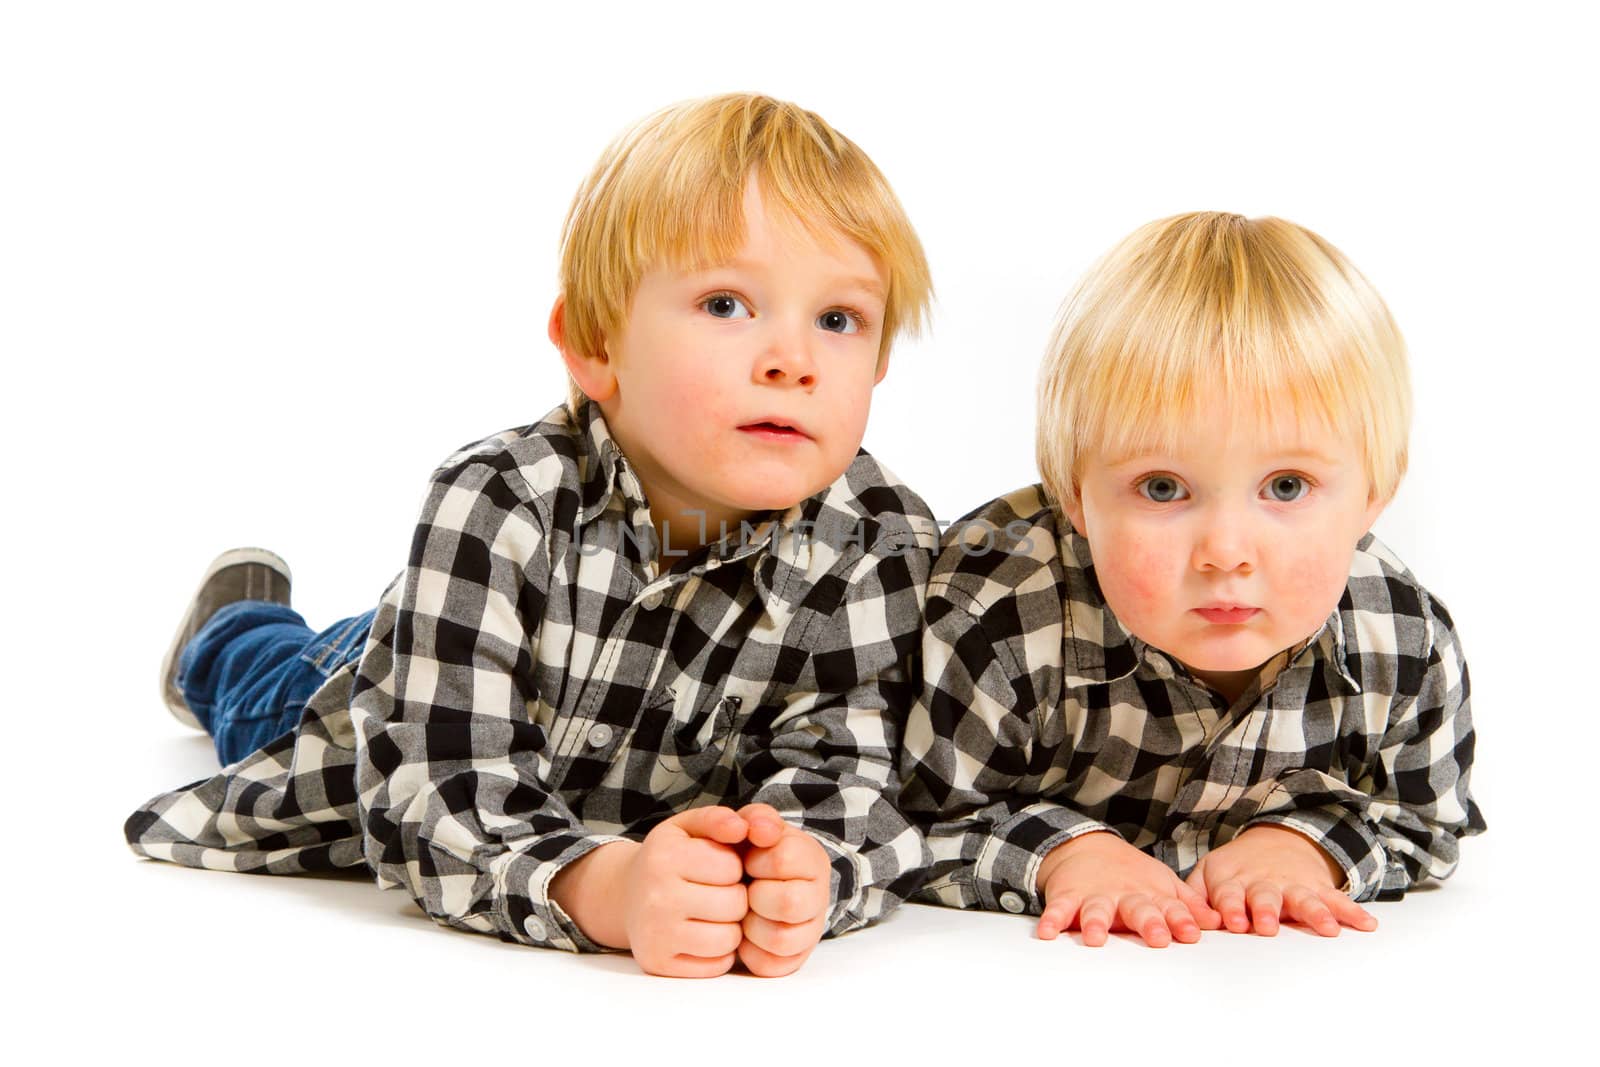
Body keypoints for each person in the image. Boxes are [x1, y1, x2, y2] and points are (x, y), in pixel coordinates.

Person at [126, 93, 938, 979]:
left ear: (881, 361)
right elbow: (437, 795)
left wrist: (798, 866)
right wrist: (604, 885)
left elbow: (853, 773)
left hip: (561, 709)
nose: (794, 359)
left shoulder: (879, 543)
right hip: (391, 696)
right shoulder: (499, 501)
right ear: (595, 347)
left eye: (838, 319)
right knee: (262, 687)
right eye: (725, 303)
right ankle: (232, 625)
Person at [899, 212, 1485, 948]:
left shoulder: (1402, 642)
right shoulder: (1000, 619)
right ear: (1074, 495)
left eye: (1287, 485)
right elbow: (918, 815)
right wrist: (1066, 852)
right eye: (1164, 488)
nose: (1226, 551)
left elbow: (1425, 822)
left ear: (1375, 492)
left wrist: (1306, 843)